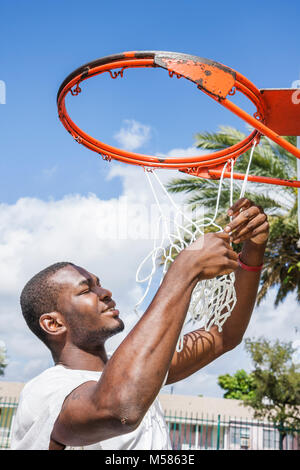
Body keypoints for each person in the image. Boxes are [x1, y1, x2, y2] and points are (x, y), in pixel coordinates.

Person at [11, 197, 269, 450]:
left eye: (99, 283)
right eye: (86, 289)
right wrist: (184, 271)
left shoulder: (134, 367)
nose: (105, 292)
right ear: (53, 324)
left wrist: (253, 250)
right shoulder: (44, 392)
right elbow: (119, 409)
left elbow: (222, 336)